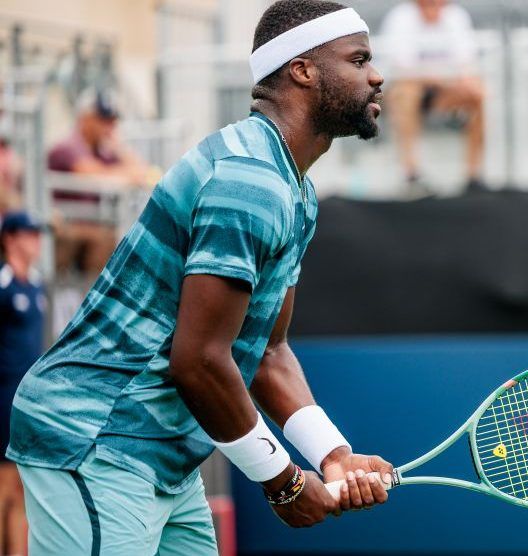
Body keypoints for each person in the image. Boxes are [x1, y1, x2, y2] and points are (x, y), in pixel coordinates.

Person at [8, 1, 391, 554]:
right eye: (358, 60)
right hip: (97, 438)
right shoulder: (251, 182)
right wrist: (283, 482)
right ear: (303, 71)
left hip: (160, 452)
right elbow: (200, 360)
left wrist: (332, 454)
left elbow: (268, 350)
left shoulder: (294, 191)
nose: (375, 75)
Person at [380, 0, 486, 193]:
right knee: (406, 94)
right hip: (408, 89)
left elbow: (466, 63)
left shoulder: (456, 16)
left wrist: (463, 83)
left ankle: (473, 174)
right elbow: (404, 69)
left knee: (478, 95)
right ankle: (411, 173)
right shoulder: (401, 17)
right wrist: (447, 78)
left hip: (442, 90)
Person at [47, 89, 151, 275]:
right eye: (103, 120)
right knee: (104, 239)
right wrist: (126, 175)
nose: (110, 127)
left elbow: (142, 172)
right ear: (85, 119)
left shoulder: (103, 151)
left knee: (119, 239)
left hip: (89, 227)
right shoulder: (67, 147)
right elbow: (93, 174)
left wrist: (119, 148)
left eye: (112, 121)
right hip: (64, 226)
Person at [0, 212, 45, 556]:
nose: (37, 241)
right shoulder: (2, 286)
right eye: (30, 234)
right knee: (3, 485)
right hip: (2, 398)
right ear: (10, 238)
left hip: (26, 401)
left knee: (21, 488)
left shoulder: (38, 285)